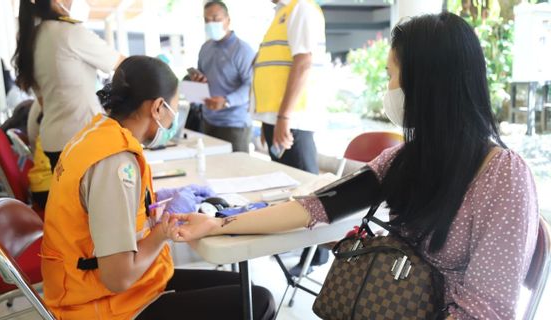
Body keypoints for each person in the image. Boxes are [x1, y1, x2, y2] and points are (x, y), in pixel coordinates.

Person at [168, 13, 539, 320]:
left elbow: (485, 311)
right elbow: (312, 207)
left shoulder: (503, 176)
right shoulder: (403, 160)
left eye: (392, 75)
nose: (388, 88)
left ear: (427, 85)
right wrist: (219, 223)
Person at [41, 55, 275, 320]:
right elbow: (118, 277)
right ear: (158, 108)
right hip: (105, 306)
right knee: (257, 303)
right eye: (173, 111)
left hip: (104, 290)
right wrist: (162, 233)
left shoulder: (97, 135)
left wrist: (149, 207)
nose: (172, 122)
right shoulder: (116, 162)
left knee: (246, 289)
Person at [252, 0, 328, 274]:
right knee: (289, 187)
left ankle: (317, 254)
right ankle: (300, 243)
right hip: (279, 119)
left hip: (294, 119)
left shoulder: (302, 8)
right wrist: (267, 119)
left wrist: (284, 117)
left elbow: (303, 63)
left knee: (308, 190)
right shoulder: (281, 13)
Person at [13, 0, 125, 171]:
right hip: (84, 138)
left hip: (53, 142)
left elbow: (42, 101)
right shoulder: (70, 32)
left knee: (68, 197)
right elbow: (123, 65)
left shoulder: (31, 39)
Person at [189, 1, 255, 152]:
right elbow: (201, 81)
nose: (211, 23)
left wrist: (227, 101)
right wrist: (198, 82)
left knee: (236, 171)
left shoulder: (242, 50)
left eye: (216, 18)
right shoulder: (205, 48)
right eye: (207, 20)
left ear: (228, 20)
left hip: (234, 124)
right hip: (208, 120)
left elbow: (251, 86)